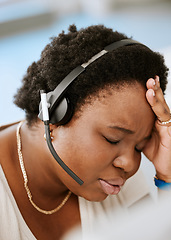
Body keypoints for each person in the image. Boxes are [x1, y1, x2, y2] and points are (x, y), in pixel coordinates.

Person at [0, 24, 170, 240]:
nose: (130, 164)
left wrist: (167, 176)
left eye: (138, 146)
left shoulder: (111, 177)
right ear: (53, 115)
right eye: (112, 139)